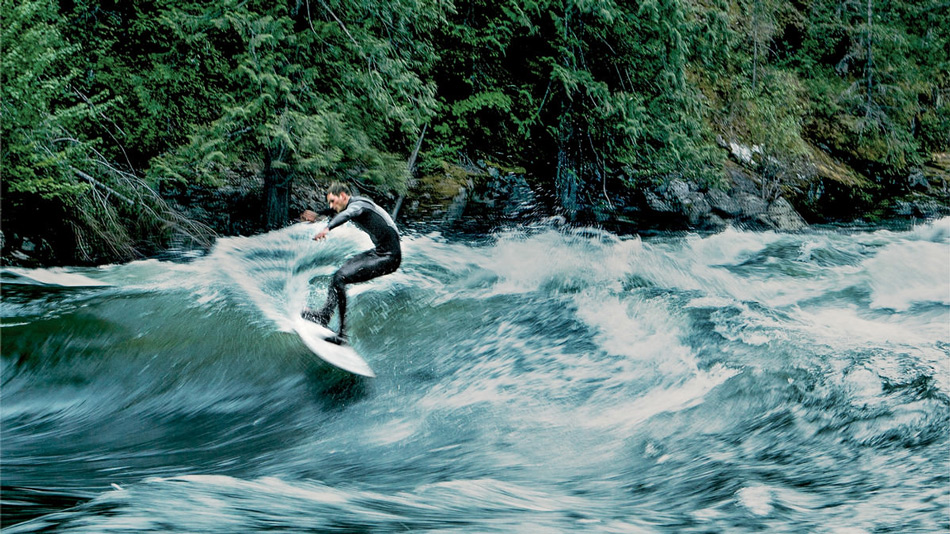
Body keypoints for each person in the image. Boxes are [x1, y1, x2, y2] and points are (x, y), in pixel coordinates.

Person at [299, 182, 401, 343]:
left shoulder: (358, 205)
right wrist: (318, 215)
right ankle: (324, 315)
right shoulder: (351, 204)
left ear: (343, 196)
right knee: (337, 277)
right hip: (380, 252)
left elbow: (347, 214)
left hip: (389, 257)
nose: (331, 205)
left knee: (340, 278)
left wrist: (327, 228)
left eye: (333, 201)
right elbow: (335, 211)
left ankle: (342, 335)